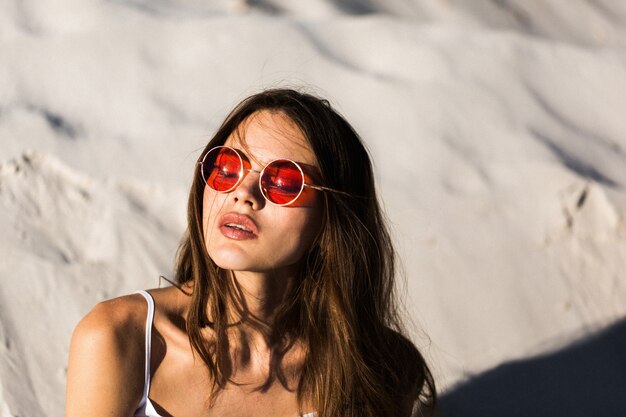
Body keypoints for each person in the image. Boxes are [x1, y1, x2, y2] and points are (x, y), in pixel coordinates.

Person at [66, 88, 437, 417]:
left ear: (333, 217)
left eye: (283, 181)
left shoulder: (379, 368)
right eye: (227, 167)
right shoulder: (122, 338)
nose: (243, 193)